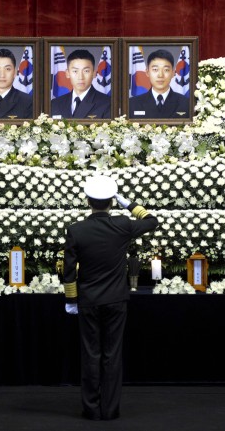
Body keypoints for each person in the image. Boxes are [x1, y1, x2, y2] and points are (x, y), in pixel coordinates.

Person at [63, 175, 158, 420]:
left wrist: (71, 300)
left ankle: (91, 409)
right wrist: (130, 205)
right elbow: (152, 221)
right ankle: (110, 409)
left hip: (88, 300)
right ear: (112, 202)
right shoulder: (123, 224)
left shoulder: (76, 230)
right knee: (112, 354)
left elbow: (69, 270)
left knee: (91, 354)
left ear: (87, 201)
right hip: (116, 299)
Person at [128, 49, 189, 119]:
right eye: (155, 69)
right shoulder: (132, 104)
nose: (160, 75)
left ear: (173, 73)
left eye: (166, 70)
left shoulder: (186, 103)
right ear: (147, 72)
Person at [51, 49, 111, 119]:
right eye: (75, 71)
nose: (80, 77)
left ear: (94, 73)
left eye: (86, 71)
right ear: (67, 73)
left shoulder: (107, 103)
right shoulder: (55, 104)